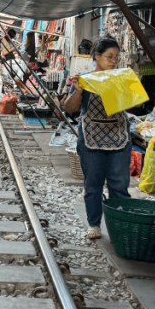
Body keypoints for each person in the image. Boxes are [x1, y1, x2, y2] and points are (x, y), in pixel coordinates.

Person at [62, 37, 130, 240]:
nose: (113, 61)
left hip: (118, 136)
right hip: (91, 136)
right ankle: (94, 224)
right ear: (97, 56)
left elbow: (131, 107)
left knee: (119, 185)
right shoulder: (84, 79)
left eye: (116, 58)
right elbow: (70, 109)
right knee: (93, 184)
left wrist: (130, 86)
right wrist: (79, 92)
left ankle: (119, 226)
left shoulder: (119, 78)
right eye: (109, 57)